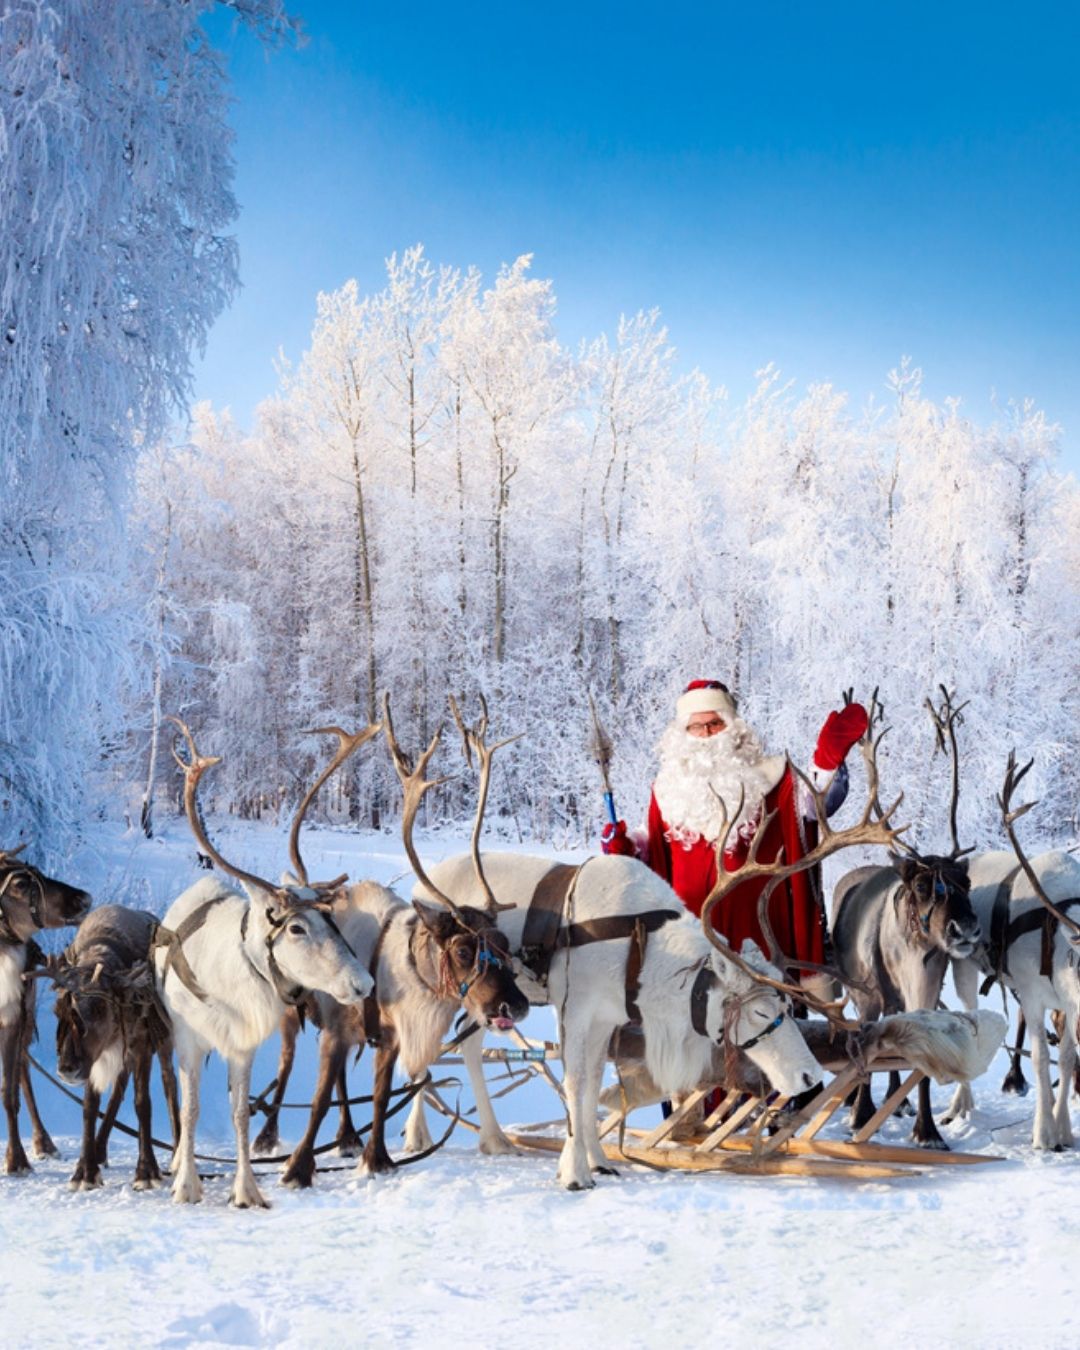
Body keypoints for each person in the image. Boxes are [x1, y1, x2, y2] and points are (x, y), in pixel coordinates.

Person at [602, 679, 868, 982]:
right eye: (696, 726)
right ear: (682, 734)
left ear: (732, 726)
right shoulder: (667, 788)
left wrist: (827, 759)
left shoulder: (771, 777)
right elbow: (652, 844)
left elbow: (813, 803)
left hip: (761, 934)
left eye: (715, 723)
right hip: (689, 936)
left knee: (763, 1015)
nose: (706, 734)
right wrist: (626, 847)